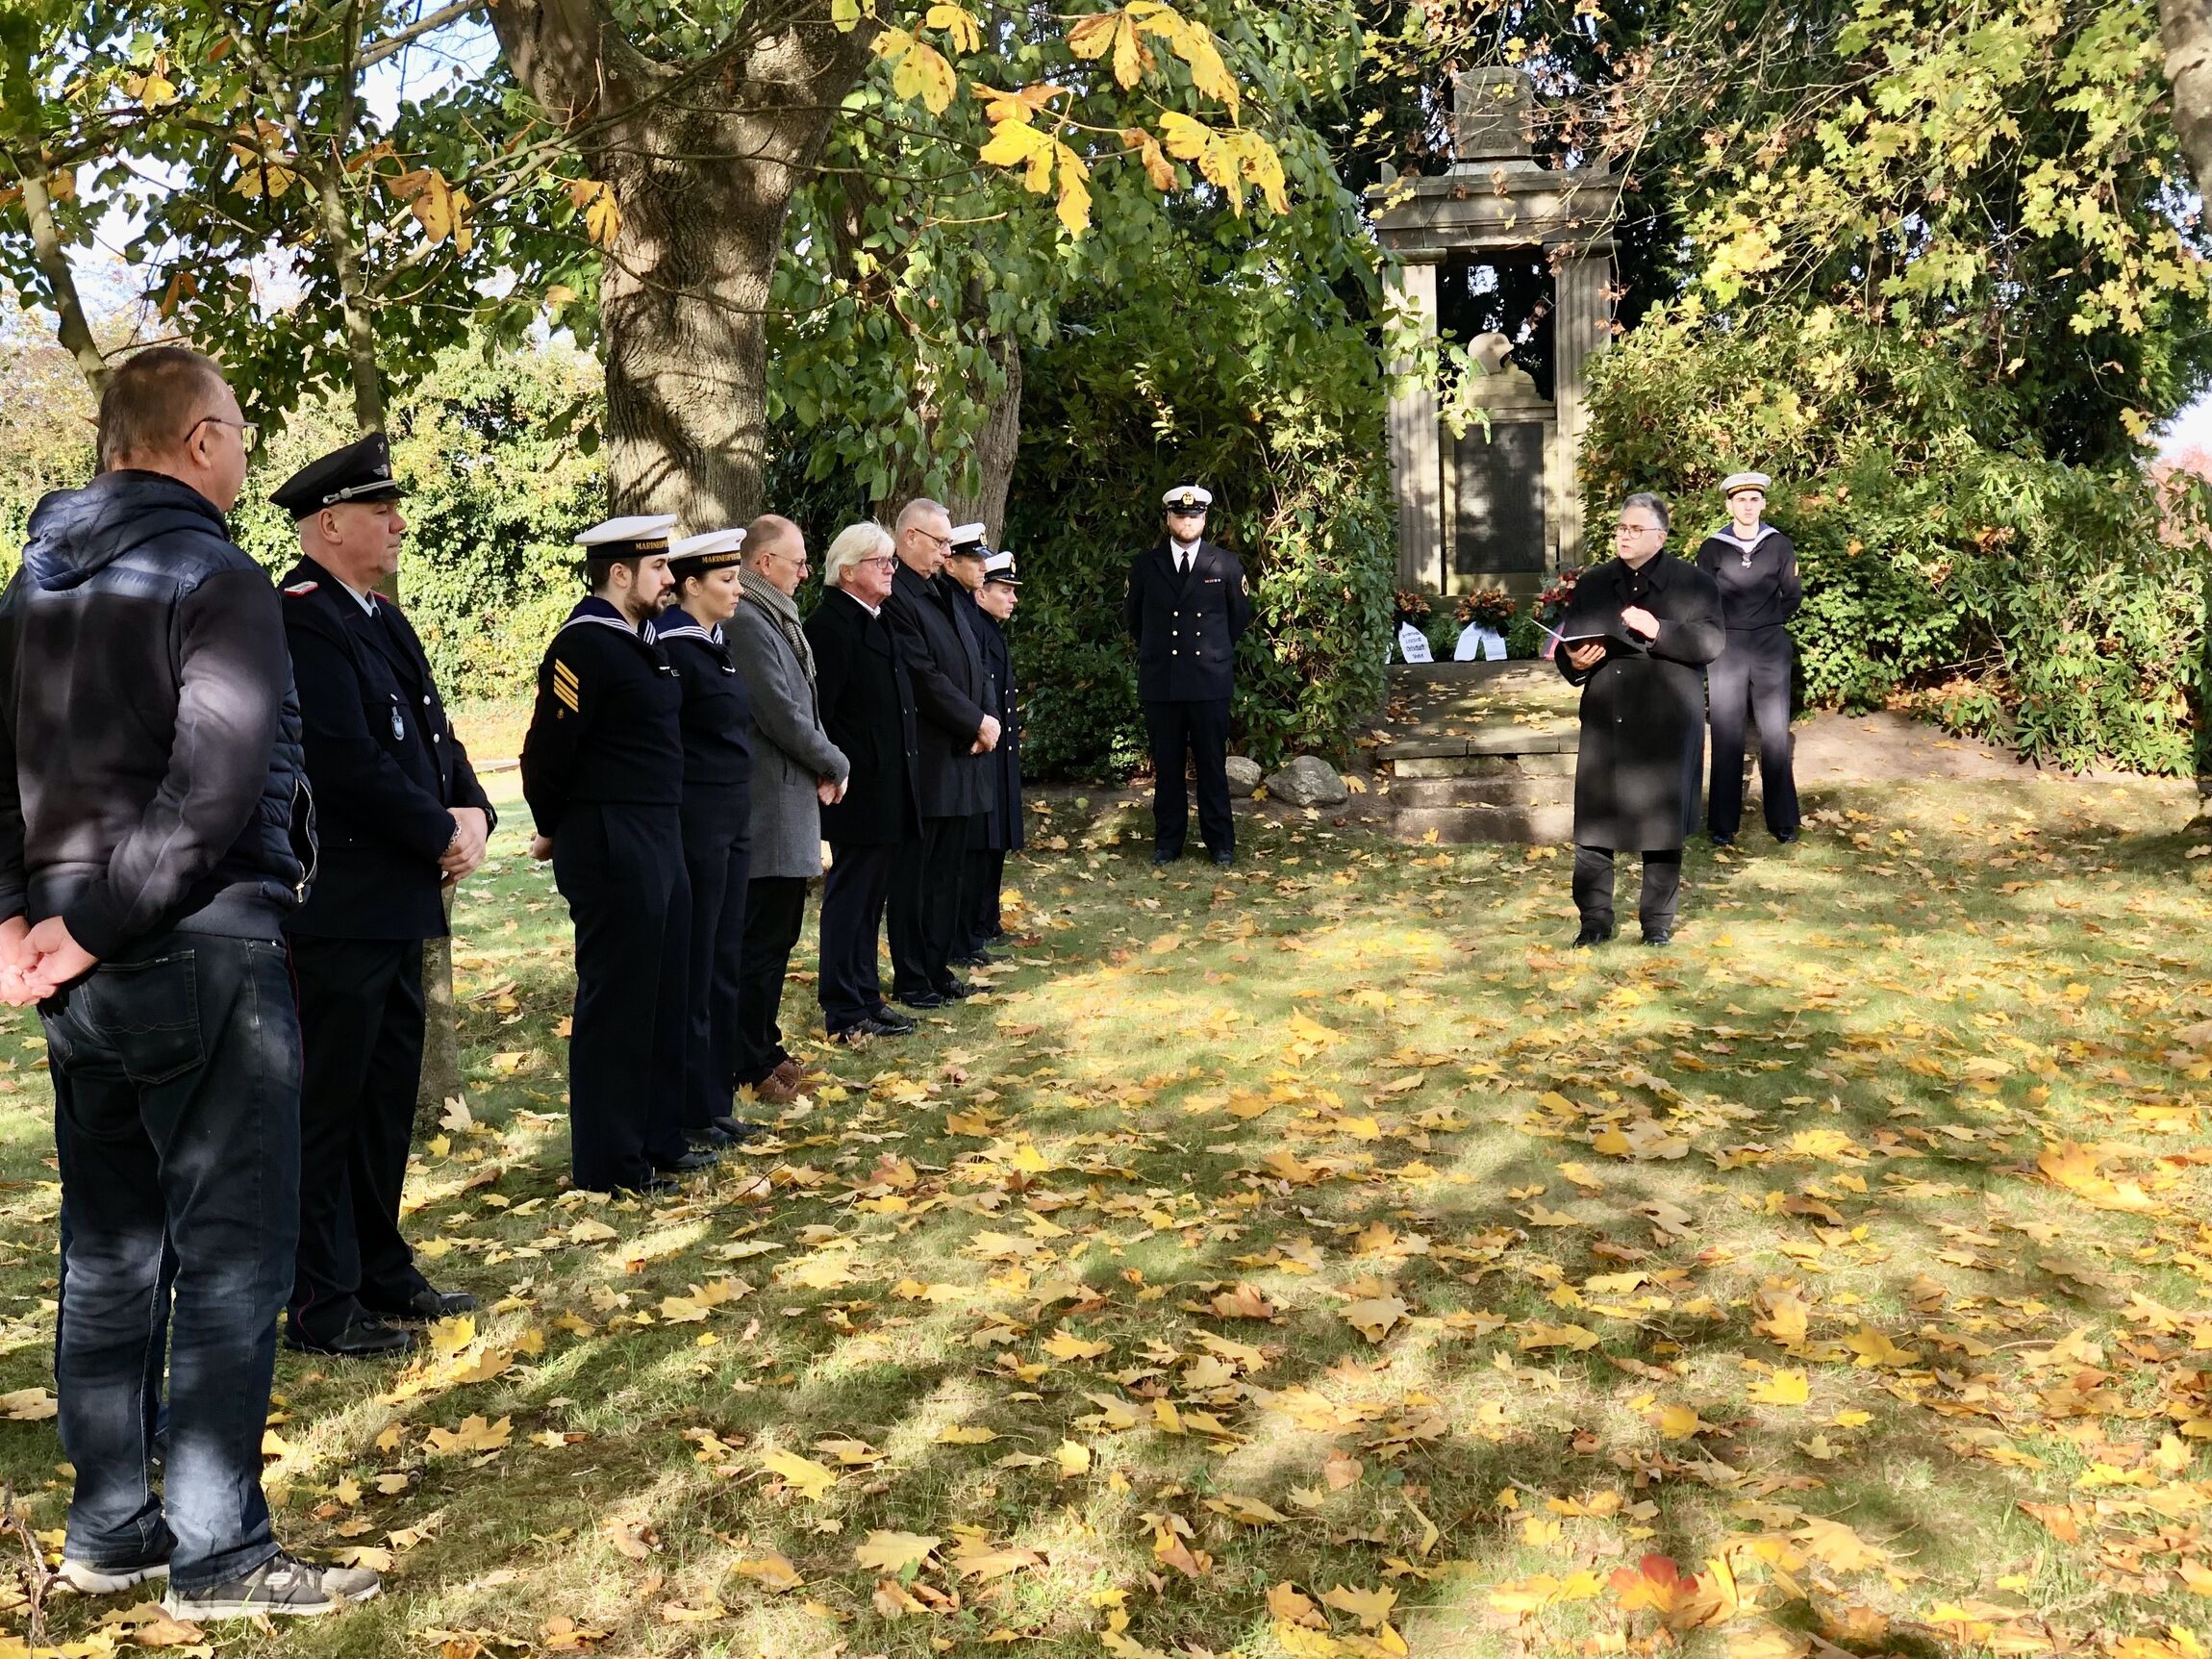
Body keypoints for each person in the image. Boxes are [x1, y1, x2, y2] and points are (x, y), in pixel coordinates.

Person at [0, 345, 377, 1618]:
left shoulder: (31, 583)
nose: (248, 456)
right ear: (200, 441)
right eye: (243, 433)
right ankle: (219, 1554)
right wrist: (79, 929)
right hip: (192, 943)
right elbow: (212, 790)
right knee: (229, 1249)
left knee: (110, 1245)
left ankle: (111, 1526)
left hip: (76, 959)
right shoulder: (218, 573)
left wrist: (25, 925)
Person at [273, 434, 491, 1361]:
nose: (399, 523)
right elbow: (345, 762)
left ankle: (377, 1264)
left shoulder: (381, 619)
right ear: (330, 523)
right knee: (330, 1104)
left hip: (398, 902)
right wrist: (437, 829)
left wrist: (475, 810)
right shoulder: (303, 619)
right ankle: (320, 1300)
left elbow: (436, 736)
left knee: (386, 1097)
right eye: (380, 509)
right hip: (342, 907)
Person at [520, 515, 707, 1194]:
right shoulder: (585, 644)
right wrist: (554, 825)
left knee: (664, 988)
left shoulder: (644, 642)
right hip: (610, 835)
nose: (669, 579)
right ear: (618, 573)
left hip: (657, 830)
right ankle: (609, 1161)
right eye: (657, 568)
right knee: (620, 1000)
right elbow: (547, 754)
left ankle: (658, 1139)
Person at [1555, 492, 1725, 948]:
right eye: (1621, 528)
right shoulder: (1594, 583)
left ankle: (1657, 923)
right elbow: (1571, 646)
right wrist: (1575, 661)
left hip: (1667, 718)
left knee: (1661, 828)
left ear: (1660, 537)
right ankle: (1594, 921)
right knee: (1594, 828)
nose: (1624, 536)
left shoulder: (1693, 583)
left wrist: (1659, 629)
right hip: (1607, 716)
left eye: (1635, 529)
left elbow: (1712, 642)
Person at [724, 515, 848, 1103]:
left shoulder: (773, 617)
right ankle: (748, 1060)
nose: (805, 572)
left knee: (777, 935)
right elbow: (779, 712)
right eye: (797, 562)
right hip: (766, 806)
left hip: (785, 800)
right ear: (764, 563)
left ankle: (765, 1046)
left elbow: (802, 706)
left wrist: (823, 760)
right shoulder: (748, 622)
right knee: (760, 940)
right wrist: (834, 761)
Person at [655, 528, 762, 1145]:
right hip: (698, 822)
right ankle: (692, 1104)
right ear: (691, 585)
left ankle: (715, 1097)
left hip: (730, 819)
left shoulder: (714, 644)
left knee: (723, 957)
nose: (737, 590)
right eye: (726, 580)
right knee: (697, 963)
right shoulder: (675, 647)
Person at [806, 522, 921, 1043]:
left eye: (892, 560)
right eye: (882, 562)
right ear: (848, 571)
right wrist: (833, 772)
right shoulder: (831, 626)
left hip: (885, 784)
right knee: (851, 898)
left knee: (871, 899)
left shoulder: (874, 617)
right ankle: (844, 1007)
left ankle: (866, 996)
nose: (892, 570)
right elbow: (822, 714)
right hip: (856, 788)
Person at [883, 501, 996, 1006]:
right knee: (918, 875)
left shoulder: (943, 592)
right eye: (940, 542)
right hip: (928, 758)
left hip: (964, 754)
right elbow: (923, 677)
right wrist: (974, 722)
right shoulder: (898, 595)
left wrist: (986, 719)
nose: (947, 552)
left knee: (949, 872)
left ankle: (936, 966)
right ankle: (912, 976)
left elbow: (977, 663)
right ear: (910, 538)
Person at [1122, 484, 1250, 866]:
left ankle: (1221, 844)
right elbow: (1134, 620)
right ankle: (1167, 842)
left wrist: (1211, 655)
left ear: (1205, 519)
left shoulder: (1226, 564)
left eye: (1194, 516)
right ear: (1168, 519)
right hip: (1162, 682)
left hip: (1209, 682)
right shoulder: (1146, 566)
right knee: (1168, 767)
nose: (1188, 521)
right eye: (1180, 515)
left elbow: (1237, 619)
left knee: (1212, 765)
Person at [1695, 471, 1802, 846]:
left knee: (1775, 732)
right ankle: (1723, 824)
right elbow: (1702, 599)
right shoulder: (1713, 547)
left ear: (1764, 504)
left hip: (1770, 646)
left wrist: (1766, 623)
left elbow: (1792, 595)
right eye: (1740, 500)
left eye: (1754, 499)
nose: (1748, 506)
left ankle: (1783, 820)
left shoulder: (1779, 544)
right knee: (1727, 731)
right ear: (1729, 505)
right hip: (1727, 647)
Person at [957, 550, 1023, 963]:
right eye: (1004, 590)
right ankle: (973, 926)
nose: (1013, 599)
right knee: (981, 842)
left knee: (995, 839)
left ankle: (987, 920)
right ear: (981, 594)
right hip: (983, 751)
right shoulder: (976, 630)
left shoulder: (990, 630)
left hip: (998, 751)